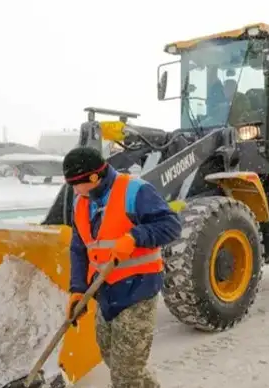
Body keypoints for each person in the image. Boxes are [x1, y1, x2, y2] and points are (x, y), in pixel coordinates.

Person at [63, 147, 182, 388]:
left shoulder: (135, 191)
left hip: (138, 289)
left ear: (94, 178)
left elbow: (171, 225)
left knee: (125, 375)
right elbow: (79, 248)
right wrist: (77, 289)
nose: (75, 191)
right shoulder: (81, 203)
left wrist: (136, 236)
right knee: (112, 357)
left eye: (77, 184)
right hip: (105, 291)